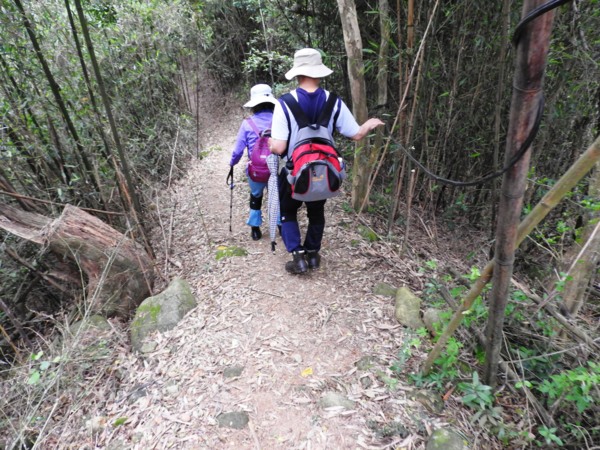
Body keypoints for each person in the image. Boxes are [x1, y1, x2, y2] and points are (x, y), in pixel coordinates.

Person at [269, 48, 384, 274]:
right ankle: (313, 255)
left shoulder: (284, 103)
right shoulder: (334, 101)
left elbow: (279, 147)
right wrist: (368, 124)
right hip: (322, 170)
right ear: (319, 72)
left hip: (293, 172)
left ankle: (298, 257)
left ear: (298, 73)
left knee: (288, 211)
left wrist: (271, 144)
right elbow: (356, 134)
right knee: (316, 212)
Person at [229, 84, 278, 240]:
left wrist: (232, 163)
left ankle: (255, 228)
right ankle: (280, 225)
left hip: (256, 170)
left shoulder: (247, 123)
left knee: (256, 195)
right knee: (276, 196)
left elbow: (238, 150)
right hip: (276, 167)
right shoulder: (280, 120)